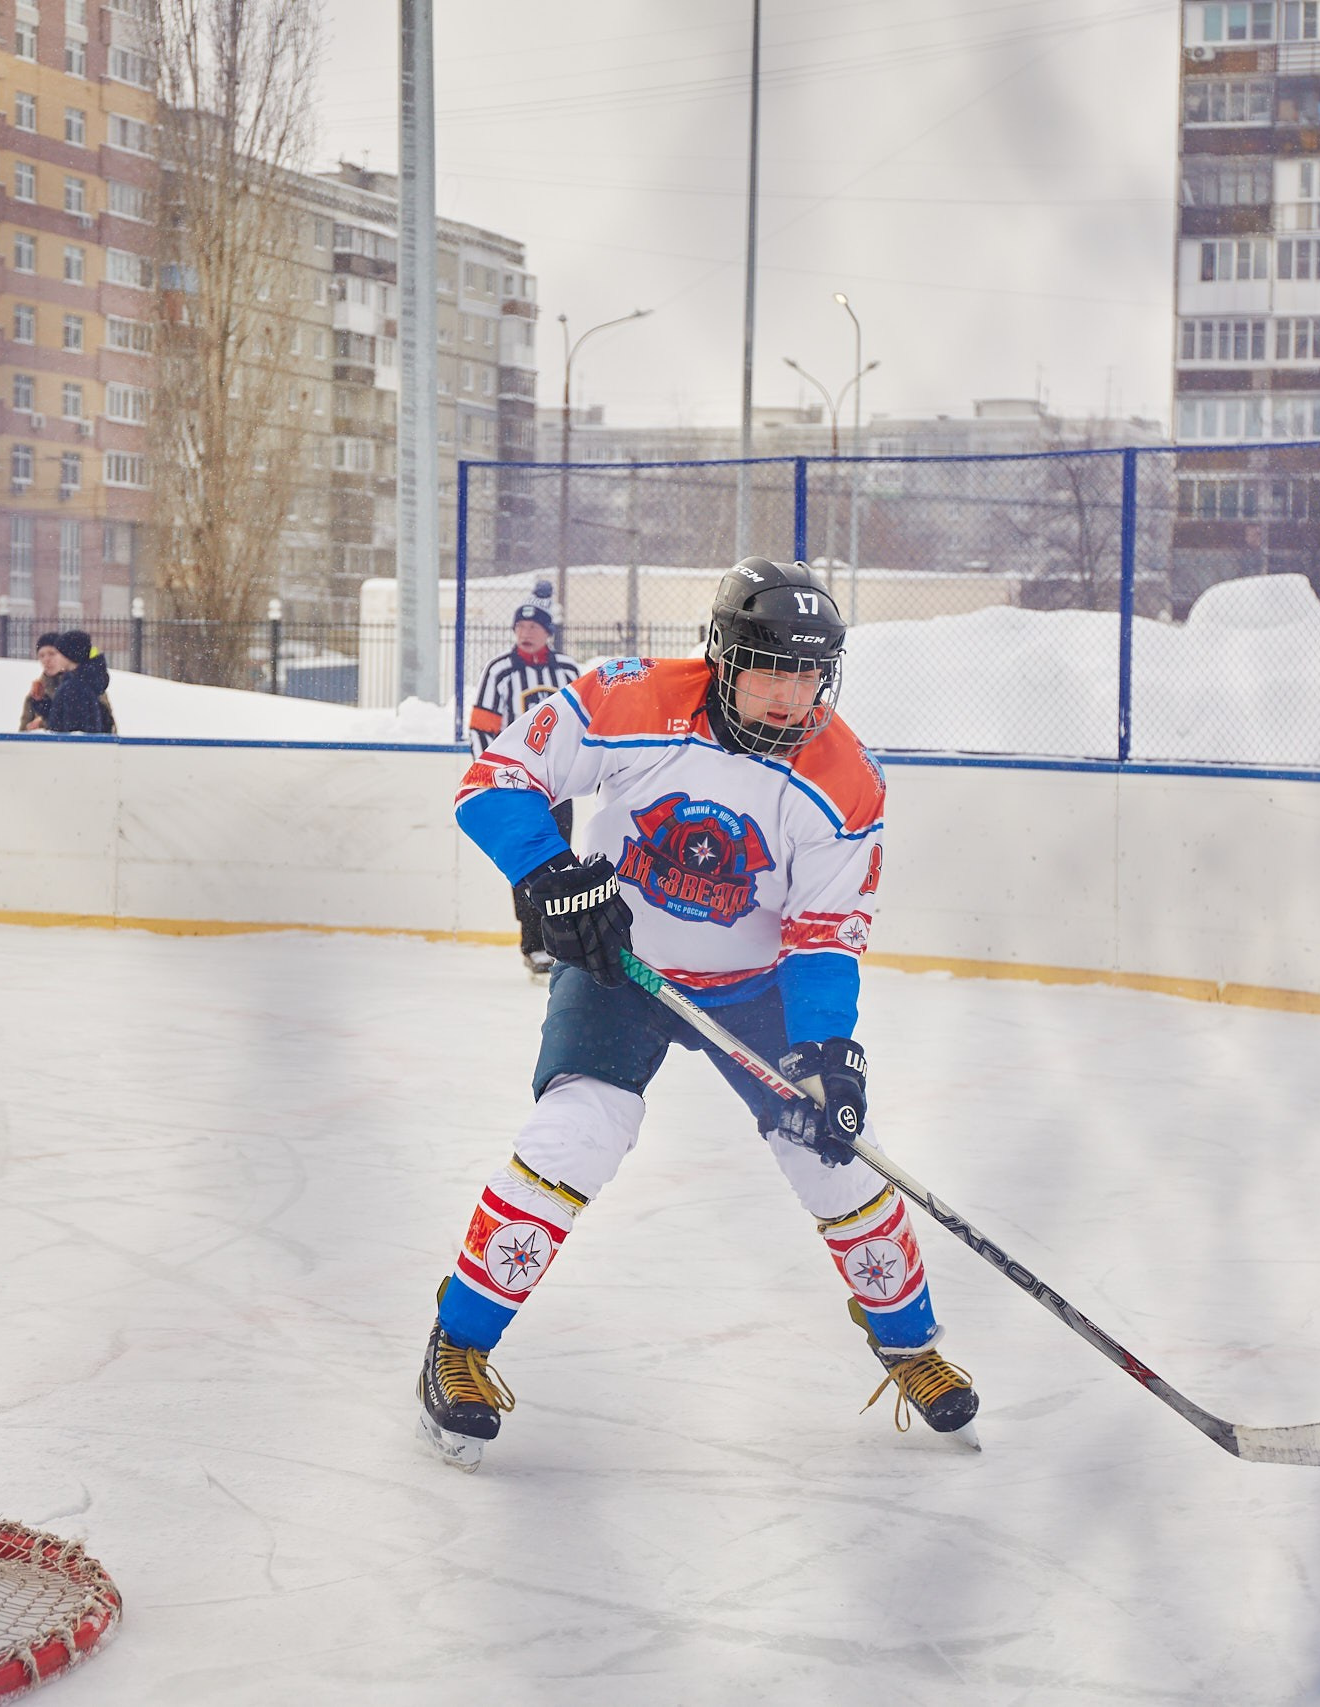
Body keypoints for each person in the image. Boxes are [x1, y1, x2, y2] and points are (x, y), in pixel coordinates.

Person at [416, 558, 975, 1470]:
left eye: (811, 673)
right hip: (620, 967)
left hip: (756, 989)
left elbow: (826, 932)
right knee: (578, 1135)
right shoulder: (628, 698)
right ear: (722, 655)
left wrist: (827, 1045)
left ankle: (909, 1344)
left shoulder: (847, 778)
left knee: (829, 1154)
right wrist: (552, 877)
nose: (794, 696)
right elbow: (493, 779)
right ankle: (458, 1344)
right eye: (772, 668)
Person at [468, 601, 582, 976]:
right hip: (516, 790)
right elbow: (482, 726)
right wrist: (494, 778)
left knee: (559, 859)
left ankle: (560, 941)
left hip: (557, 786)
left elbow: (585, 724)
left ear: (548, 631)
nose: (526, 632)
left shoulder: (567, 670)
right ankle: (533, 944)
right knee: (527, 865)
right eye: (520, 625)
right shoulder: (500, 670)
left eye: (534, 626)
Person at [30, 630, 117, 735]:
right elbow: (62, 719)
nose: (50, 659)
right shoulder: (81, 682)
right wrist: (42, 704)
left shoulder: (75, 688)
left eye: (56, 653)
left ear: (68, 655)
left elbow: (74, 733)